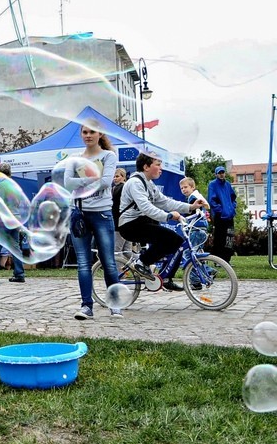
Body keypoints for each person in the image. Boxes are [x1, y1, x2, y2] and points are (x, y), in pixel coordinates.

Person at [118, 154, 207, 290]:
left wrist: (190, 207)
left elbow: (165, 201)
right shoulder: (135, 183)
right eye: (158, 165)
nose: (161, 169)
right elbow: (146, 207)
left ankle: (165, 278)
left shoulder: (149, 183)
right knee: (171, 238)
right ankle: (141, 262)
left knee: (176, 241)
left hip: (142, 222)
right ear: (146, 167)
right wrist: (168, 216)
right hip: (130, 225)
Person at [64, 125, 122, 320]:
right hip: (79, 213)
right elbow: (67, 183)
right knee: (83, 263)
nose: (88, 135)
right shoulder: (74, 157)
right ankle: (86, 306)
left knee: (109, 262)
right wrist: (93, 178)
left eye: (92, 132)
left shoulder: (108, 156)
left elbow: (107, 182)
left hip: (102, 214)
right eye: (85, 132)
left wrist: (80, 180)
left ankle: (115, 305)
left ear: (100, 134)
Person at [179, 176, 210, 289]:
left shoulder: (193, 198)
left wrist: (183, 218)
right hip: (202, 229)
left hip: (196, 229)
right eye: (181, 188)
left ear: (193, 187)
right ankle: (205, 274)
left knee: (188, 255)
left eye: (186, 187)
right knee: (197, 254)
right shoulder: (198, 196)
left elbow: (193, 212)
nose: (183, 190)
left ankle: (197, 280)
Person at [207, 166, 237, 263]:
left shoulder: (228, 184)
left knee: (229, 238)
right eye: (219, 173)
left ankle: (227, 259)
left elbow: (233, 197)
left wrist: (232, 208)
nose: (221, 174)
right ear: (216, 174)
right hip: (220, 216)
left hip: (229, 215)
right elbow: (211, 201)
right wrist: (221, 210)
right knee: (219, 238)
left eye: (223, 172)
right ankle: (218, 260)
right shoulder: (212, 185)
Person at [112, 168, 133, 257]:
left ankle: (119, 271)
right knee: (127, 251)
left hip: (119, 223)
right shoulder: (125, 187)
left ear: (123, 177)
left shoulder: (120, 188)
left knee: (117, 250)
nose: (114, 178)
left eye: (117, 176)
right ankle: (145, 264)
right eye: (113, 177)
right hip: (127, 222)